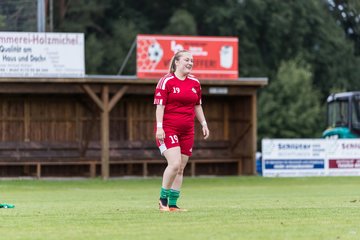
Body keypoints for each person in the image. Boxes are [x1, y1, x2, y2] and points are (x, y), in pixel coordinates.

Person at [153, 50, 210, 212]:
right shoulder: (166, 81)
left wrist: (204, 123)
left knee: (181, 168)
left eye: (192, 60)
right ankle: (162, 200)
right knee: (174, 163)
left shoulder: (195, 83)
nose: (190, 63)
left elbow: (198, 105)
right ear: (176, 62)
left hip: (188, 130)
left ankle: (172, 204)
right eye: (187, 59)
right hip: (168, 129)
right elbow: (160, 106)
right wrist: (159, 127)